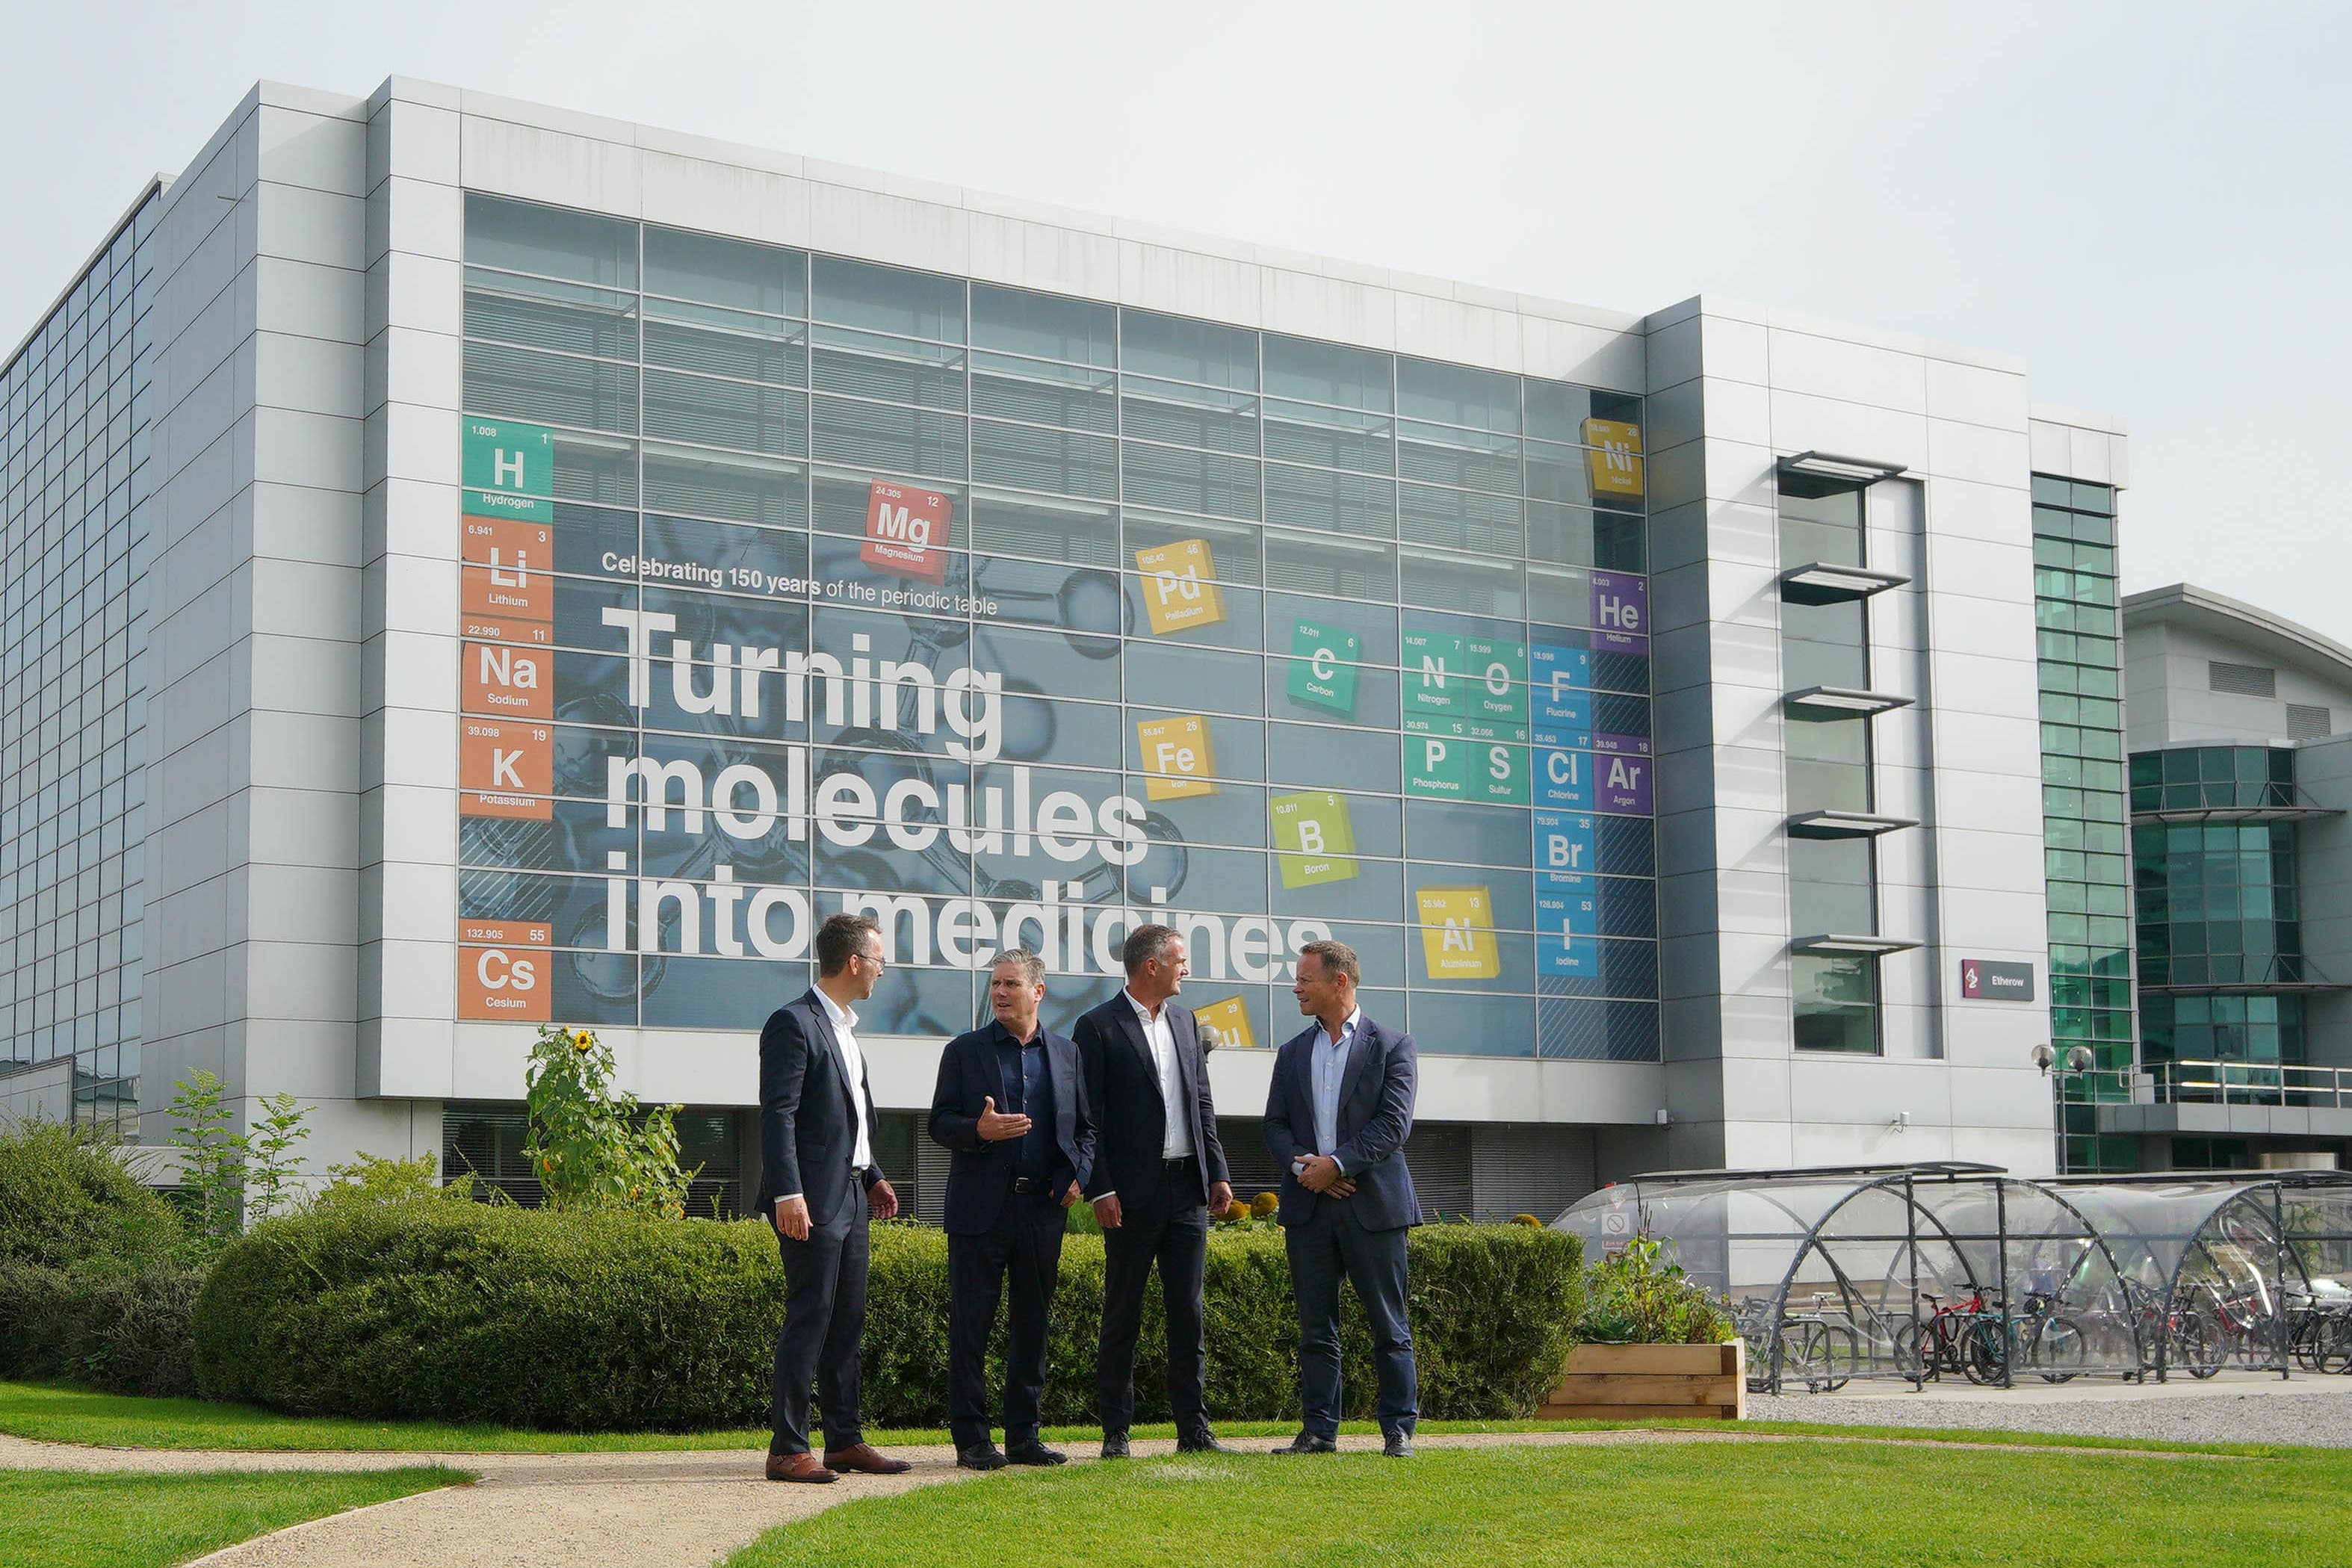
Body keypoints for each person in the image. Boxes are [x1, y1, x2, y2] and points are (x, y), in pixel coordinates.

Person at [755, 913, 913, 1484]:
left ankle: (843, 1440)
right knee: (811, 1316)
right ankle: (787, 1448)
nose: (881, 971)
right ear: (854, 962)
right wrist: (787, 1192)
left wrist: (872, 1174)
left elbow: (846, 1120)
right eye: (878, 961)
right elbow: (779, 1115)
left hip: (850, 1194)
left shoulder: (845, 1030)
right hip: (811, 1200)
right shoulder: (792, 1023)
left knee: (847, 1320)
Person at [927, 949, 1095, 1471]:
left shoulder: (1068, 1054)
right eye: (995, 983)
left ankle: (1025, 1435)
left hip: (1043, 1209)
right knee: (970, 1328)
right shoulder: (964, 1050)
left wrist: (1077, 1176)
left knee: (1033, 1326)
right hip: (980, 1210)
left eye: (1011, 984)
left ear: (1037, 991)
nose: (1000, 992)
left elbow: (1086, 1130)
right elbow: (938, 1123)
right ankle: (973, 1440)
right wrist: (977, 1130)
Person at [1073, 923, 1237, 1457]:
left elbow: (1202, 1103)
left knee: (1188, 1314)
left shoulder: (1188, 1022)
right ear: (1152, 965)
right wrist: (1101, 1189)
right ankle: (1116, 1432)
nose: (1186, 969)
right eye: (1181, 960)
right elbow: (1087, 1118)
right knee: (1123, 1312)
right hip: (1129, 1195)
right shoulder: (1096, 1026)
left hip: (1187, 1189)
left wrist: (1218, 1171)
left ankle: (1194, 1429)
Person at [1263, 938, 1420, 1458]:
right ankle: (1318, 1432)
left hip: (1373, 1207)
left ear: (1340, 981)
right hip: (1309, 1206)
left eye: (1305, 978)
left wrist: (1338, 1164)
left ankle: (1398, 1431)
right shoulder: (1291, 1053)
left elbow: (1393, 1125)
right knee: (1315, 1328)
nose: (1296, 987)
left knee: (1389, 1325)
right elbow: (1276, 1126)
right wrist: (1308, 1169)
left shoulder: (1393, 1045)